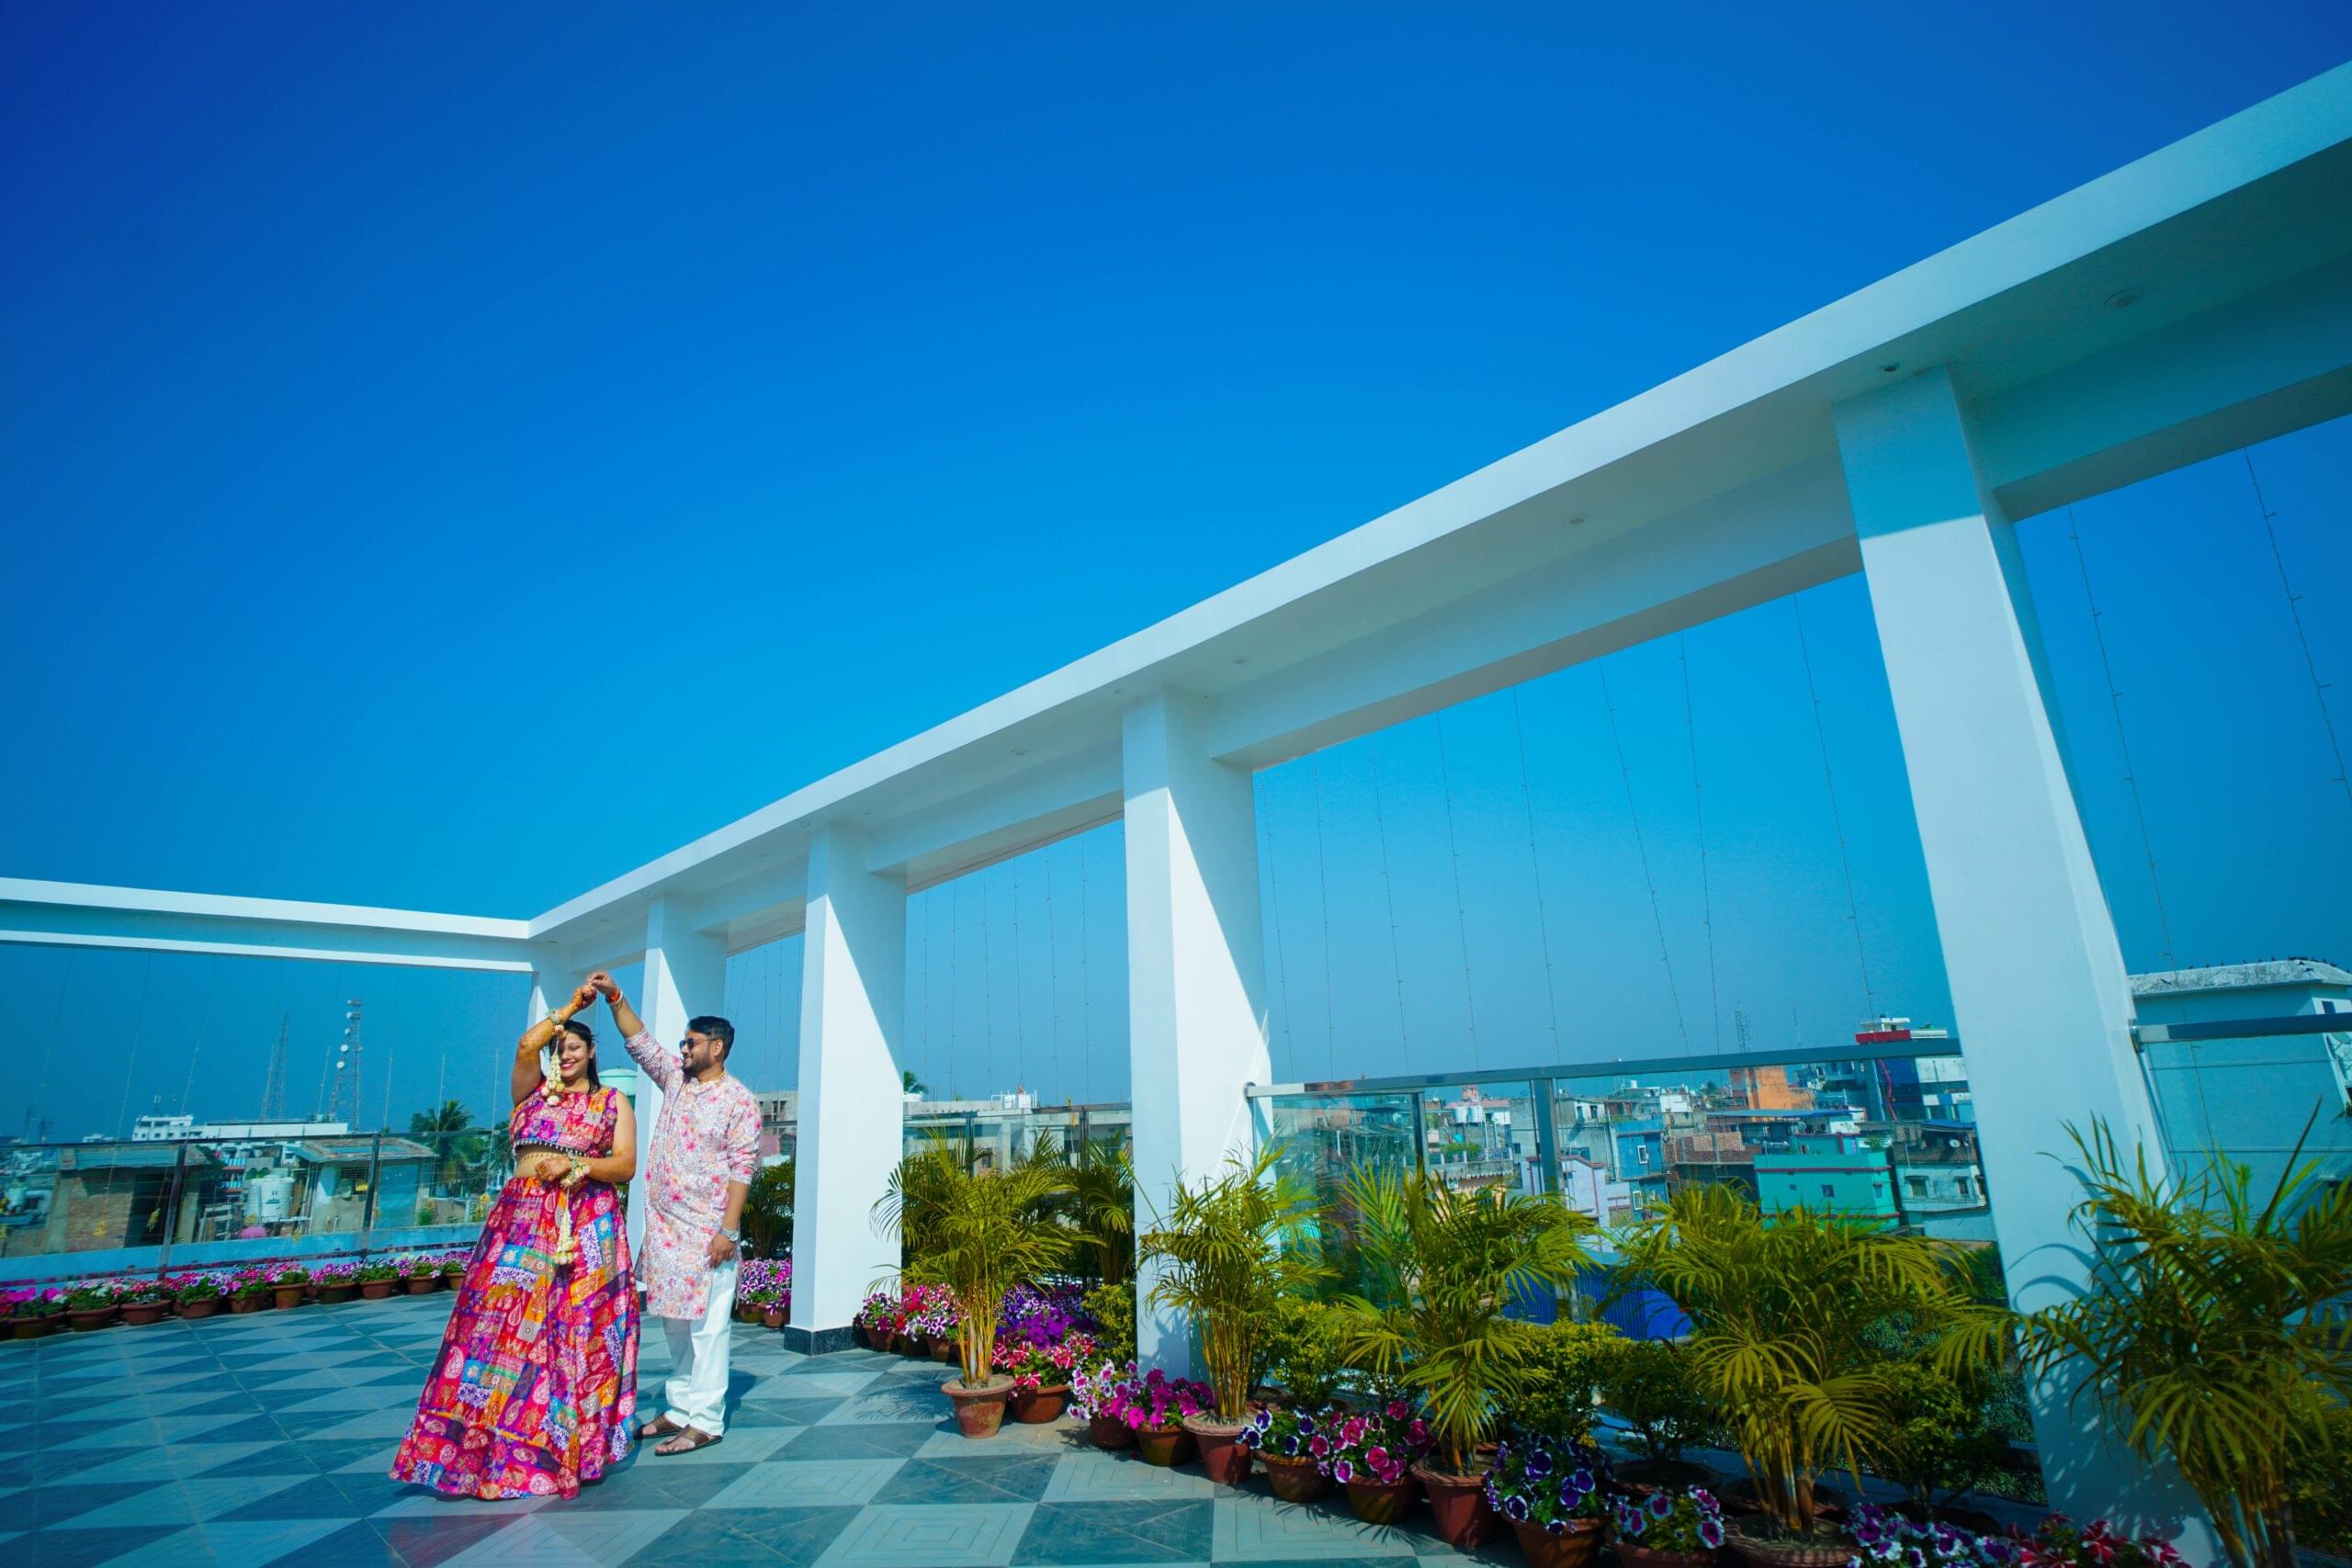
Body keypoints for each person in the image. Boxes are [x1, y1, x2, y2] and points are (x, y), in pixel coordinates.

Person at [390, 982, 640, 1499]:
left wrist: (576, 1164)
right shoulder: (528, 1092)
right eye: (559, 1047)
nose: (564, 1054)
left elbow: (626, 1165)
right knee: (494, 1336)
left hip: (584, 1227)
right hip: (521, 1222)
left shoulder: (611, 1102)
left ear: (593, 1052)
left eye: (574, 1046)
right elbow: (527, 1047)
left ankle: (563, 1447)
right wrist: (571, 1009)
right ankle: (481, 1453)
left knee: (575, 1335)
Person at [586, 970, 759, 1455]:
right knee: (675, 1324)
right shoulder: (676, 1082)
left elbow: (743, 1170)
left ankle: (705, 1419)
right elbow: (639, 1042)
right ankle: (680, 1408)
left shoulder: (739, 1102)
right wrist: (615, 996)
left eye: (691, 1043)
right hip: (666, 1235)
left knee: (708, 1328)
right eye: (682, 1044)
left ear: (717, 1047)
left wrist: (729, 1229)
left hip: (709, 1236)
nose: (682, 1051)